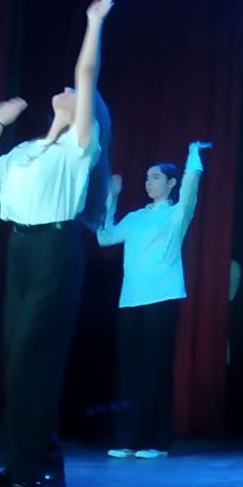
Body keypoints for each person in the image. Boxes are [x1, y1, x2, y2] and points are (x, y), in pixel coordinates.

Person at [0, 0, 113, 487]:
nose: (66, 90)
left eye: (74, 93)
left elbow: (86, 73)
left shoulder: (79, 147)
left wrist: (92, 22)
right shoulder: (26, 151)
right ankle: (16, 463)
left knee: (34, 359)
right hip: (21, 251)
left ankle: (43, 466)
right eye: (67, 89)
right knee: (16, 360)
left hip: (55, 250)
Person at [97, 140, 209, 459]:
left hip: (162, 298)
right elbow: (105, 237)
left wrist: (193, 156)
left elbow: (190, 188)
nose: (149, 182)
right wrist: (111, 198)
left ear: (171, 183)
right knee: (129, 372)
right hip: (130, 301)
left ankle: (156, 442)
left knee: (156, 370)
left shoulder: (175, 214)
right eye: (147, 177)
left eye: (156, 177)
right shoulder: (135, 218)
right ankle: (128, 439)